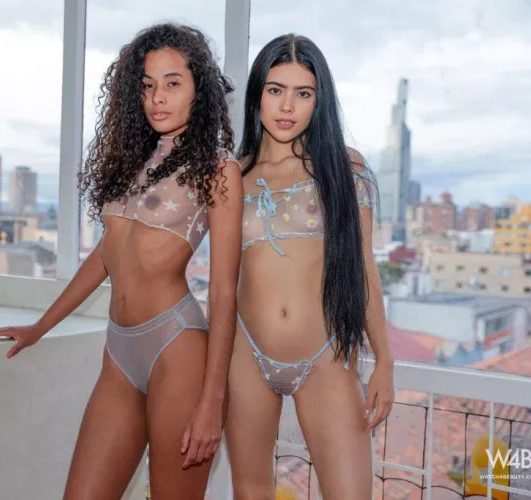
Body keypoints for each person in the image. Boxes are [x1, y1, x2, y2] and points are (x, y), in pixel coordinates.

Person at [0, 23, 243, 499]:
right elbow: (106, 254)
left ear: (199, 90)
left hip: (178, 348)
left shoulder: (218, 171)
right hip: (119, 351)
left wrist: (212, 400)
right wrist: (40, 326)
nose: (157, 97)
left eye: (172, 83)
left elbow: (223, 293)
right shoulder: (134, 162)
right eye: (147, 85)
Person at [224, 34, 394, 499]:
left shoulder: (344, 169)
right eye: (275, 90)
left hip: (326, 357)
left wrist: (384, 360)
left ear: (320, 101)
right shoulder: (234, 175)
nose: (287, 106)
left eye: (303, 93)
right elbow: (219, 279)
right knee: (250, 492)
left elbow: (365, 270)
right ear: (257, 93)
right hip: (245, 354)